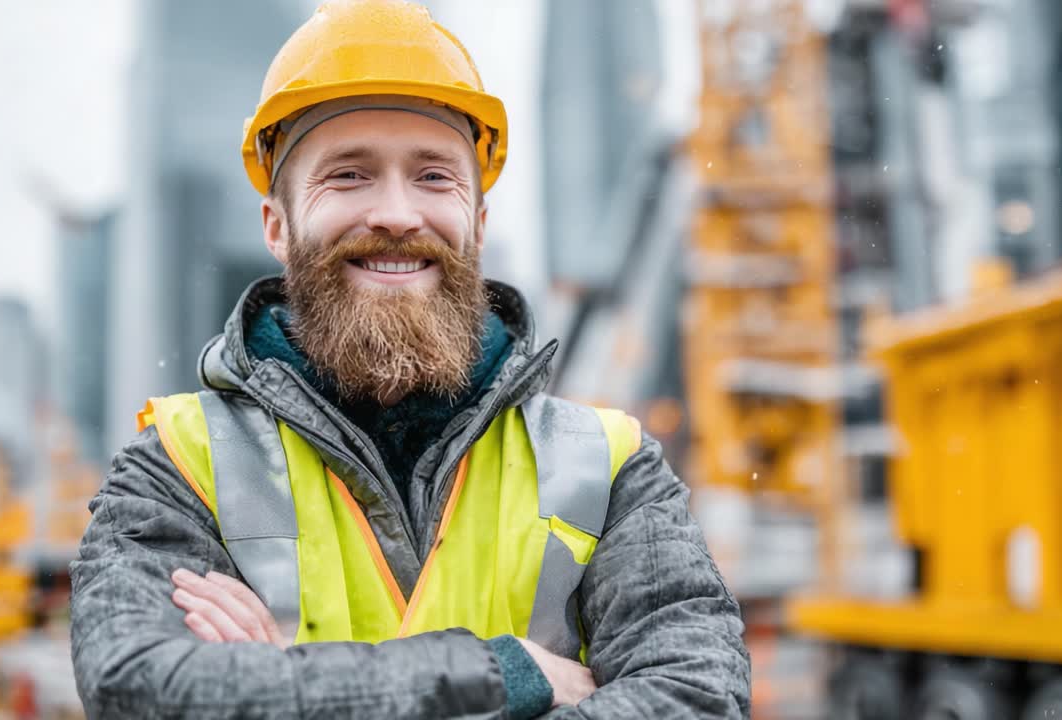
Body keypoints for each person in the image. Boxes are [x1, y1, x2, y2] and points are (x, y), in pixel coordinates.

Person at [69, 1, 750, 717]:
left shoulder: (610, 468)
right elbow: (139, 689)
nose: (397, 212)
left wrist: (289, 688)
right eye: (349, 176)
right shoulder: (180, 464)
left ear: (478, 224)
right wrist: (503, 674)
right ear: (277, 224)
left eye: (433, 177)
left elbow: (695, 699)